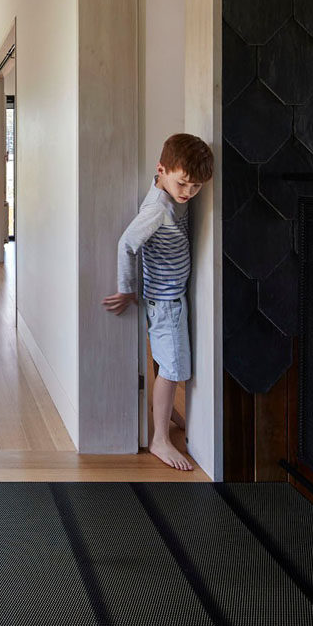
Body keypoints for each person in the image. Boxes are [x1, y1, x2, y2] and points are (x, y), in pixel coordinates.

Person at [103, 133, 214, 471]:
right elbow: (127, 244)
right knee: (175, 367)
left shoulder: (168, 192)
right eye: (183, 184)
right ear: (161, 169)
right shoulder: (157, 208)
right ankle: (160, 440)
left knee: (165, 362)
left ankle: (167, 412)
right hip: (165, 301)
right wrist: (126, 288)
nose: (188, 193)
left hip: (167, 296)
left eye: (195, 188)